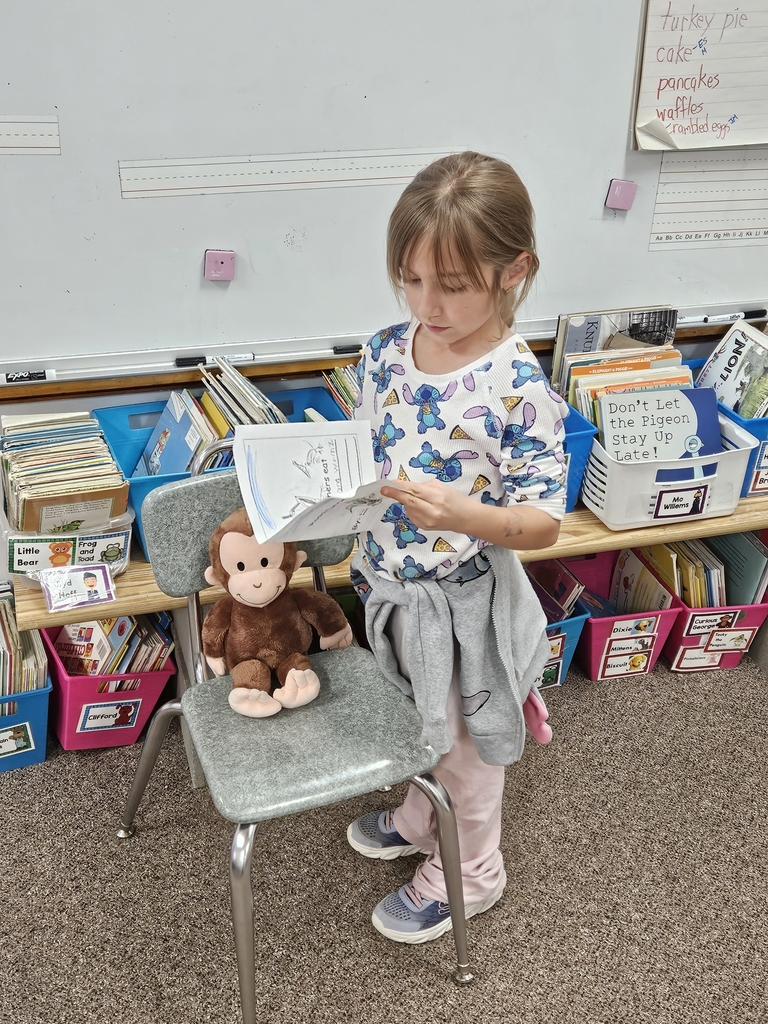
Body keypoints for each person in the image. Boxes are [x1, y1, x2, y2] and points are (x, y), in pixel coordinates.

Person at [347, 151, 568, 944]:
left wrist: (465, 511)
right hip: (388, 582)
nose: (426, 304)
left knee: (469, 749)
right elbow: (370, 448)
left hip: (464, 599)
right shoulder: (385, 349)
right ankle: (421, 815)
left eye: (452, 284)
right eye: (410, 279)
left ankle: (472, 871)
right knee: (421, 720)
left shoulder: (517, 388)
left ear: (514, 272)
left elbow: (543, 523)